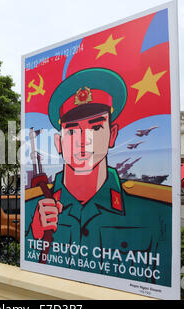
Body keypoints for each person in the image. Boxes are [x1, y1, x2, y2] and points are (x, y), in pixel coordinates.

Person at [25, 68, 172, 286]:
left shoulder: (156, 211)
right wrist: (35, 235)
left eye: (95, 128)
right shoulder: (33, 208)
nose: (83, 141)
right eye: (72, 131)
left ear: (112, 135)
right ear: (59, 143)